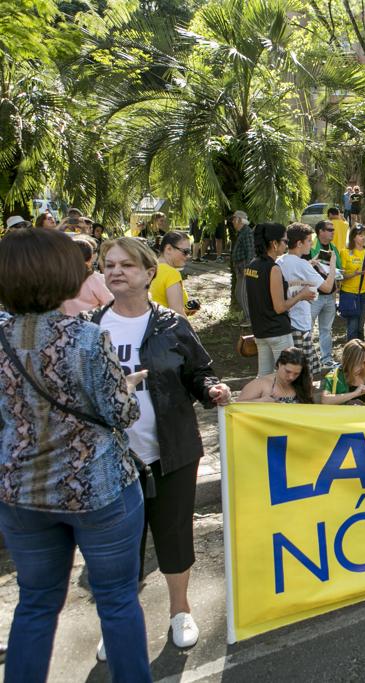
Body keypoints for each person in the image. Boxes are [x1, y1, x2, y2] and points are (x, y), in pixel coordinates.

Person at [0, 229, 152, 682]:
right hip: (98, 488)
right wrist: (125, 388)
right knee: (118, 599)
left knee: (35, 603)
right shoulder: (86, 338)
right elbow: (120, 414)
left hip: (22, 492)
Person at [93, 236, 231, 656]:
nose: (116, 271)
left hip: (172, 451)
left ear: (149, 273)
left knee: (174, 535)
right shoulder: (89, 326)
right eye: (109, 265)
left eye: (127, 265)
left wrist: (213, 389)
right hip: (111, 460)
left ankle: (180, 611)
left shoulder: (172, 324)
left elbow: (199, 372)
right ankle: (119, 620)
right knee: (119, 546)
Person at [244, 223, 316, 376]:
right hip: (277, 331)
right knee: (287, 378)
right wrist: (301, 295)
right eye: (284, 241)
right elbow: (280, 307)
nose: (286, 244)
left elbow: (262, 292)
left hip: (260, 331)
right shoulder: (273, 268)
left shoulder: (252, 265)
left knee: (264, 376)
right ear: (274, 243)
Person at [277, 223, 337, 375]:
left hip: (285, 323)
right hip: (300, 324)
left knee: (288, 371)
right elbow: (327, 287)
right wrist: (332, 267)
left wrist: (310, 264)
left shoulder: (279, 261)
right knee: (303, 374)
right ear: (299, 243)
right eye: (309, 241)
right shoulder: (302, 264)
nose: (311, 244)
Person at [309, 220, 341, 369]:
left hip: (330, 296)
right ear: (320, 231)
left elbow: (339, 269)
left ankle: (326, 359)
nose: (333, 232)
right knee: (307, 329)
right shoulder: (311, 247)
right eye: (329, 229)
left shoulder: (333, 248)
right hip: (314, 296)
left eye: (333, 229)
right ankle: (307, 360)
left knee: (326, 329)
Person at [338, 224, 365, 341]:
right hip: (349, 293)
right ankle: (352, 349)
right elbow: (340, 276)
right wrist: (355, 274)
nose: (363, 237)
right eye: (360, 235)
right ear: (353, 237)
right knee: (353, 326)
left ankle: (361, 349)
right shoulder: (345, 252)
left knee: (360, 326)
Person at [238, 347, 315, 404]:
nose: (291, 377)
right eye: (288, 371)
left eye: (296, 373)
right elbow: (237, 406)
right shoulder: (260, 384)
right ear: (279, 364)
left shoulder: (302, 382)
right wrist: (259, 401)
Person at [61, 235, 115, 315]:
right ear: (90, 258)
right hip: (88, 320)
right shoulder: (96, 279)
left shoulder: (58, 278)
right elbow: (111, 304)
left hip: (63, 320)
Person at [150, 231, 195, 316]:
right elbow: (177, 313)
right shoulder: (171, 273)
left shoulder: (149, 268)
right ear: (168, 249)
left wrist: (187, 310)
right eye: (185, 252)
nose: (188, 256)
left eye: (190, 252)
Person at [229, 211, 254, 324]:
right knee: (239, 293)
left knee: (242, 294)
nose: (233, 221)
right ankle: (247, 317)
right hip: (241, 267)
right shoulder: (242, 232)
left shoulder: (247, 232)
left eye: (234, 219)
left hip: (245, 267)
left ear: (240, 220)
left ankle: (250, 319)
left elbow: (250, 251)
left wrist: (248, 268)